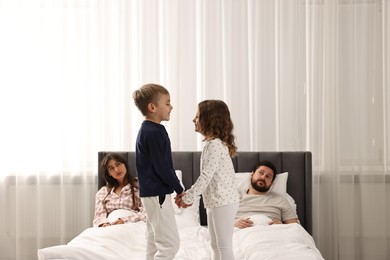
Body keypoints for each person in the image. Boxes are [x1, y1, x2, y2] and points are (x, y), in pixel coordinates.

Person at [176, 99, 240, 260]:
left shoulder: (215, 146)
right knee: (214, 244)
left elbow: (206, 176)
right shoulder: (212, 145)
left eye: (197, 116)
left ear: (209, 119)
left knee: (224, 246)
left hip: (224, 201)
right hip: (215, 201)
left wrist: (189, 196)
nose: (193, 119)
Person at [132, 83, 185, 260]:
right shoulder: (153, 132)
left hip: (152, 193)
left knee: (154, 242)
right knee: (170, 244)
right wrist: (179, 189)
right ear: (152, 107)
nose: (171, 107)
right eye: (167, 103)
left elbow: (161, 165)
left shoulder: (148, 130)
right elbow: (162, 167)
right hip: (158, 193)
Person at [234, 160, 299, 229]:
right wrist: (234, 223)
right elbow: (222, 221)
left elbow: (295, 227)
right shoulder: (234, 197)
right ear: (252, 174)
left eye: (268, 176)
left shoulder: (280, 200)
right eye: (261, 173)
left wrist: (282, 226)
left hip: (273, 233)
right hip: (242, 233)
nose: (263, 177)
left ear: (271, 183)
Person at [93, 153, 146, 227]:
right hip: (109, 227)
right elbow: (99, 217)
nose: (116, 169)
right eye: (111, 168)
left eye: (118, 164)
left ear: (124, 164)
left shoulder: (140, 185)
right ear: (109, 173)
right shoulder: (103, 192)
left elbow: (147, 213)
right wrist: (104, 224)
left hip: (133, 225)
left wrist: (124, 220)